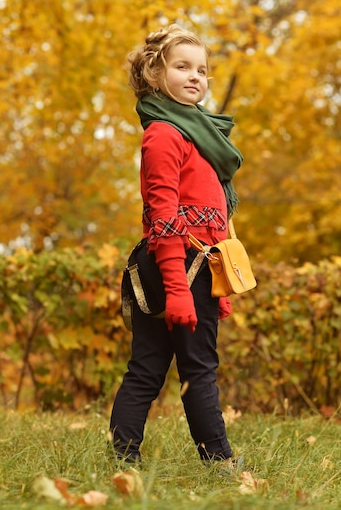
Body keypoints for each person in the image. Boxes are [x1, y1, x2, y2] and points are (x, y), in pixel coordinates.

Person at [110, 23, 243, 466]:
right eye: (181, 66)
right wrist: (179, 287)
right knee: (190, 369)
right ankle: (220, 463)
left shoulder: (202, 136)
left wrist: (218, 286)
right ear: (154, 74)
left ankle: (123, 458)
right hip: (173, 265)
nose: (195, 76)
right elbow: (163, 218)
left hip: (199, 267)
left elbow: (215, 220)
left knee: (155, 367)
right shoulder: (164, 135)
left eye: (202, 70)